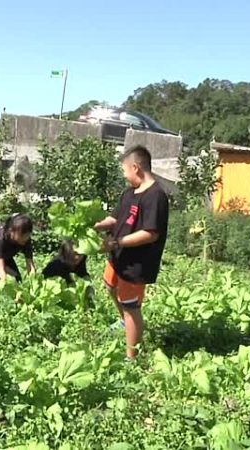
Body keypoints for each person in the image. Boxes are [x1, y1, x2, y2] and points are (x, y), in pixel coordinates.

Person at [94, 145, 169, 359]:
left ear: (135, 167)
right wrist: (95, 226)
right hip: (119, 257)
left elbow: (150, 233)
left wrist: (118, 242)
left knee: (131, 307)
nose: (124, 176)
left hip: (137, 262)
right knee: (110, 285)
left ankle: (132, 357)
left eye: (125, 170)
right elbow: (115, 218)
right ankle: (123, 321)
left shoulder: (156, 196)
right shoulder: (130, 193)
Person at [0, 213, 36, 282]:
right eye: (22, 235)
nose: (25, 238)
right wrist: (4, 283)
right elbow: (0, 269)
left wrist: (33, 282)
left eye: (27, 234)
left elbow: (30, 264)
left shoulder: (25, 239)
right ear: (12, 231)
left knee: (17, 280)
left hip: (6, 254)